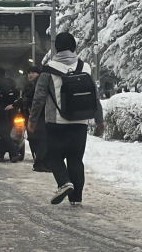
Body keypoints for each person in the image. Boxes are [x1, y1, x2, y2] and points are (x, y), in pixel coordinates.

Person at [29, 31, 105, 206]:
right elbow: (95, 96)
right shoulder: (85, 67)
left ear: (57, 49)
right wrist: (99, 120)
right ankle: (76, 199)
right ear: (74, 47)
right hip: (80, 122)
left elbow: (39, 97)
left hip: (56, 122)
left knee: (53, 157)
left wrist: (32, 120)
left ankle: (64, 183)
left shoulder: (48, 69)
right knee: (76, 159)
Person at [7, 66, 49, 172]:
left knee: (37, 137)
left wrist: (16, 104)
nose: (30, 75)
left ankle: (39, 160)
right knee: (35, 138)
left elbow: (31, 99)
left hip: (36, 115)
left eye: (33, 73)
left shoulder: (37, 84)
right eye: (29, 73)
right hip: (31, 115)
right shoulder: (31, 85)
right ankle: (39, 160)